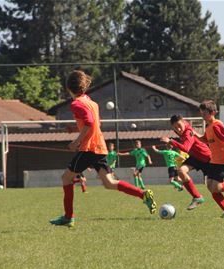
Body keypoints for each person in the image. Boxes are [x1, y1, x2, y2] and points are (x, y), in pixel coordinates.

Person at [50, 70, 156, 227]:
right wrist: (74, 128)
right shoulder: (90, 102)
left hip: (89, 148)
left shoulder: (77, 103)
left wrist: (76, 141)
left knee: (66, 178)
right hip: (100, 146)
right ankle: (143, 194)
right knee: (109, 182)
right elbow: (92, 123)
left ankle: (68, 217)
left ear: (68, 88)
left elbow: (90, 123)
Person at [162, 114, 224, 217]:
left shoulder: (187, 132)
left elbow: (186, 148)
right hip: (196, 158)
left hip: (207, 159)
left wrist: (171, 141)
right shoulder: (181, 130)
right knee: (182, 171)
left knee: (219, 186)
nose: (178, 129)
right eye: (175, 127)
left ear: (183, 121)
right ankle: (197, 197)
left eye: (179, 125)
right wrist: (171, 142)